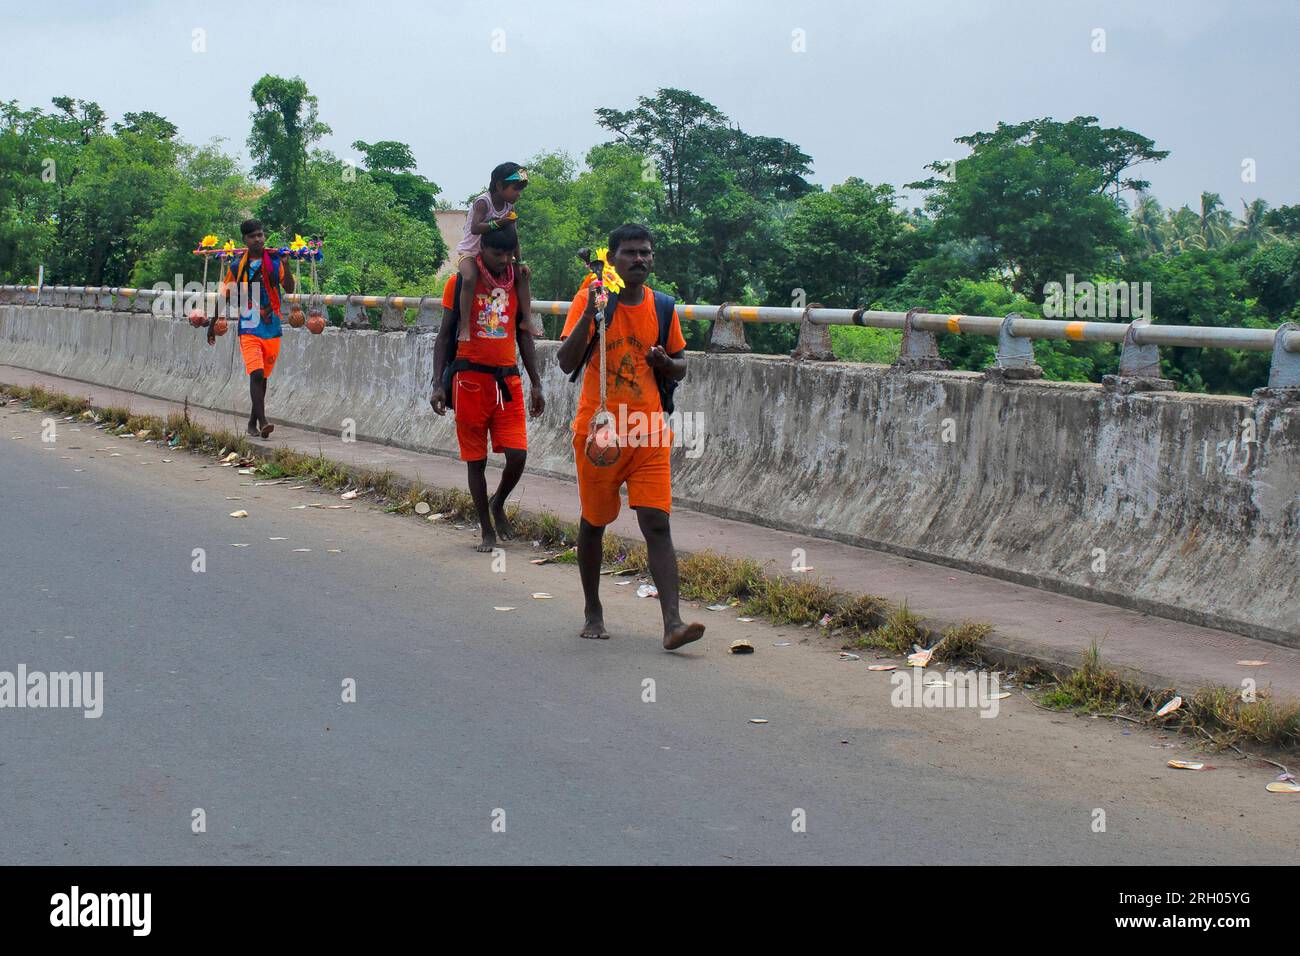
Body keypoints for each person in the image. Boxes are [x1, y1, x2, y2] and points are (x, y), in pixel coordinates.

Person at [557, 224, 703, 651]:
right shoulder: (592, 298)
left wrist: (664, 362)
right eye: (630, 253)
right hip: (599, 434)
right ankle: (592, 611)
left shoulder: (662, 306)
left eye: (646, 253)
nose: (640, 259)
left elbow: (681, 365)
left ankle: (673, 623)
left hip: (648, 432)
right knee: (595, 522)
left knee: (656, 522)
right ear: (613, 258)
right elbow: (567, 362)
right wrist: (592, 311)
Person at [431, 223, 545, 552]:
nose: (504, 260)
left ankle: (498, 503)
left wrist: (536, 382)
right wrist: (438, 384)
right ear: (481, 250)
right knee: (476, 461)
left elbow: (524, 333)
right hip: (468, 381)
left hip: (507, 380)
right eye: (498, 254)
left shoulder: (516, 281)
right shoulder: (460, 283)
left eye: (510, 254)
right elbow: (443, 336)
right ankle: (485, 529)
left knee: (518, 455)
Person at [211, 219, 294, 438]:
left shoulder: (275, 262)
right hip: (248, 325)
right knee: (256, 373)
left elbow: (289, 288)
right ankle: (264, 421)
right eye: (252, 236)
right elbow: (225, 296)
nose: (257, 239)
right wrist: (211, 325)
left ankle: (251, 422)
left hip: (272, 325)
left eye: (260, 235)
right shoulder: (237, 266)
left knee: (262, 378)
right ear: (244, 240)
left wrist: (286, 264)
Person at [455, 162, 530, 354]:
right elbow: (475, 227)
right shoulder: (483, 202)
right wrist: (501, 222)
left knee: (522, 275)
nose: (518, 194)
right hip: (470, 252)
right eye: (515, 188)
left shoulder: (509, 205)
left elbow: (514, 236)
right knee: (470, 277)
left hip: (495, 253)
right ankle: (464, 325)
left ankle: (527, 319)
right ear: (499, 186)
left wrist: (520, 261)